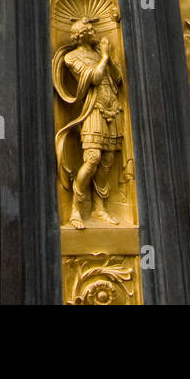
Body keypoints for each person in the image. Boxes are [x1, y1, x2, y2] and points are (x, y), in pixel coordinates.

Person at [53, 18, 124, 229]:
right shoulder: (71, 57)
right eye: (91, 29)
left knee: (107, 161)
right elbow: (93, 77)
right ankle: (76, 207)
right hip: (93, 110)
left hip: (111, 107)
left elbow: (118, 78)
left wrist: (108, 59)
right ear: (82, 34)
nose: (95, 32)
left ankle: (99, 208)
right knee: (93, 158)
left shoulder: (98, 54)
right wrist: (104, 57)